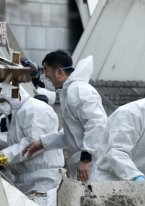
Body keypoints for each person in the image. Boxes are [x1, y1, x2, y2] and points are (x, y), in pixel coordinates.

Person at [22, 50, 107, 182]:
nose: (46, 76)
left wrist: (86, 158)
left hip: (93, 166)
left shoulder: (78, 91)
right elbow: (70, 134)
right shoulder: (69, 92)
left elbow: (97, 123)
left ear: (60, 72)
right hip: (86, 165)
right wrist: (43, 142)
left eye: (47, 70)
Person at [0, 84, 64, 206]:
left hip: (42, 180)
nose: (1, 105)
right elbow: (14, 143)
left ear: (11, 95)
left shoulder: (34, 109)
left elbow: (31, 146)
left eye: (2, 101)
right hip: (27, 180)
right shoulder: (18, 112)